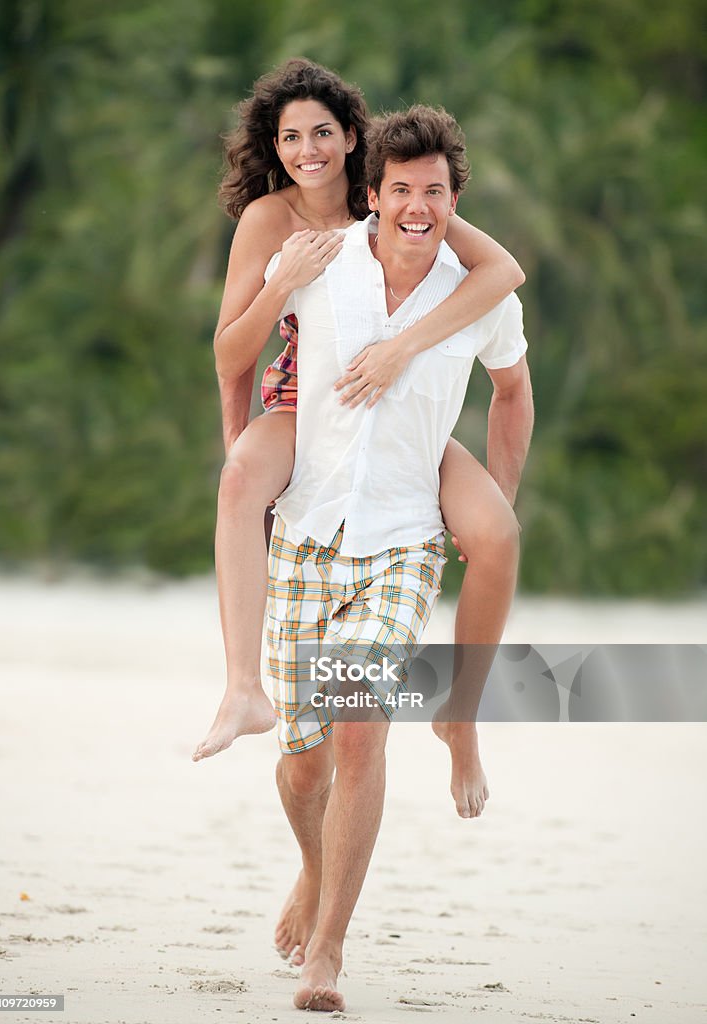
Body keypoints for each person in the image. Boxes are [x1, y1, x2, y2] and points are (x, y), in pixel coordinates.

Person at [193, 59, 525, 821]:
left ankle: (460, 716)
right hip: (303, 399)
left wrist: (402, 348)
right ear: (272, 147)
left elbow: (499, 270)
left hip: (400, 415)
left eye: (321, 133)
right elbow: (229, 355)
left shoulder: (390, 193)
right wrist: (238, 451)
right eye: (288, 138)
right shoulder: (269, 221)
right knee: (240, 480)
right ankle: (243, 687)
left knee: (496, 532)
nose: (307, 150)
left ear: (353, 139)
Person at [257, 104, 533, 1011]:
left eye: (437, 192)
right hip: (305, 529)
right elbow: (244, 350)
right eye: (402, 190)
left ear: (457, 200)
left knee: (359, 722)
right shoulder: (323, 264)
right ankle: (312, 867)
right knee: (303, 762)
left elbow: (511, 394)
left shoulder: (478, 292)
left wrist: (491, 494)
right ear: (369, 197)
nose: (419, 208)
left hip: (403, 537)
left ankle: (329, 953)